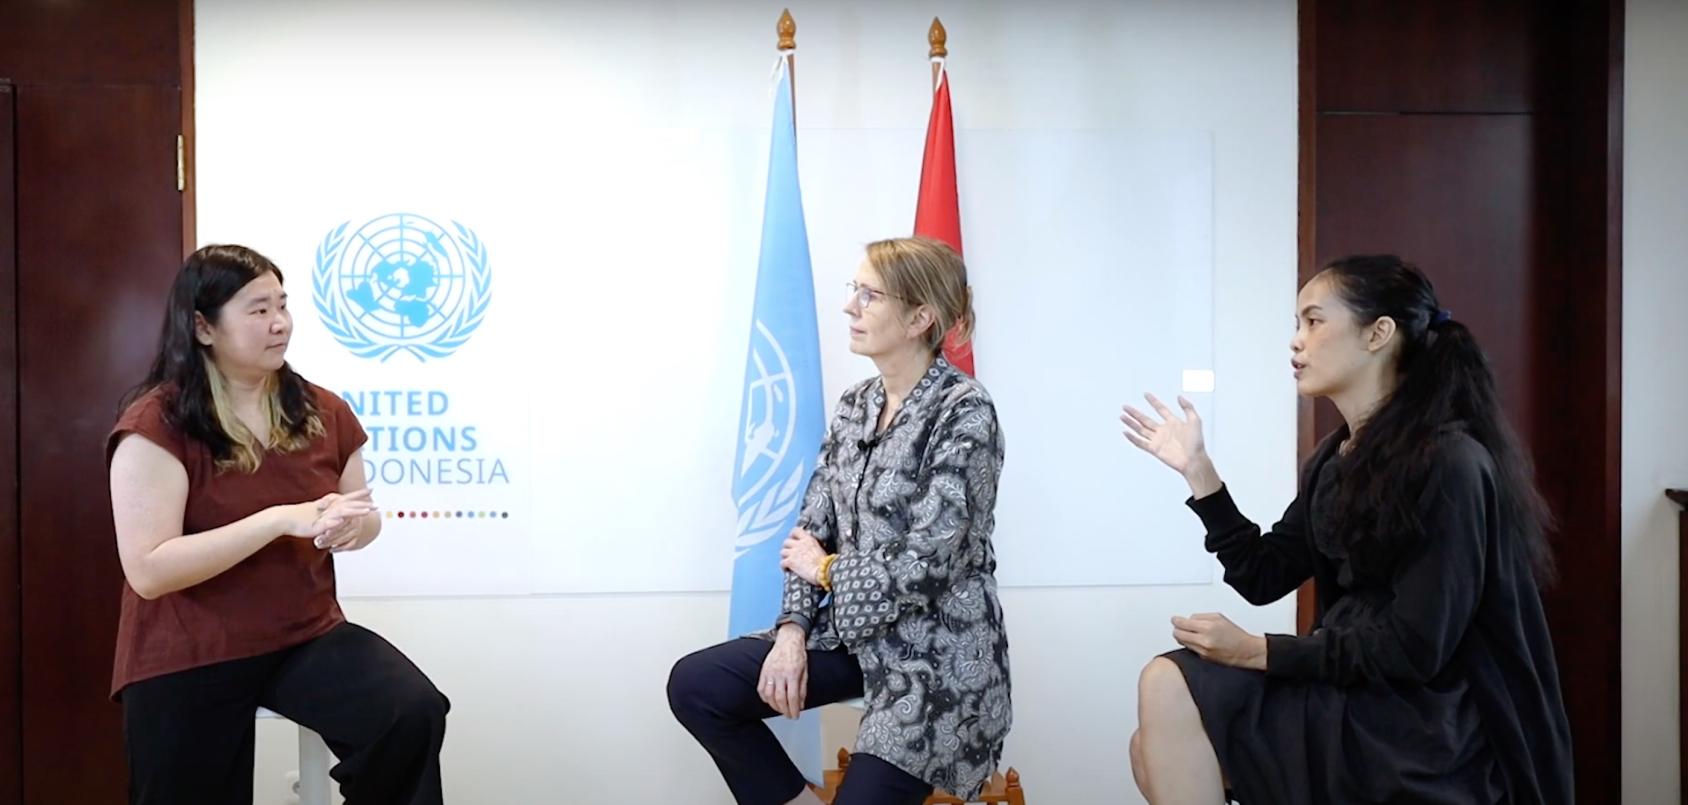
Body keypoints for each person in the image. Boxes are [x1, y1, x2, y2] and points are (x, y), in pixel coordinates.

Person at [1122, 255, 1573, 804]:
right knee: (1149, 745)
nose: (1296, 341)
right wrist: (1200, 472)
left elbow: (1415, 648)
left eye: (1314, 321)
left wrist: (1257, 651)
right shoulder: (1334, 459)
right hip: (1351, 692)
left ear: (1378, 333)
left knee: (1166, 688)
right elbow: (1262, 575)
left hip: (1417, 721)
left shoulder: (1451, 462)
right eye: (1297, 324)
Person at [668, 237, 1011, 805]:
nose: (850, 306)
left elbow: (926, 564)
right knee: (697, 686)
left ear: (919, 318)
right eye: (855, 290)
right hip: (853, 637)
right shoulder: (855, 405)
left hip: (935, 656)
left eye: (870, 295)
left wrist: (826, 570)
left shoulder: (966, 411)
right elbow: (811, 530)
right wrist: (792, 632)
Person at [106, 244, 449, 804]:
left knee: (409, 713)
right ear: (203, 327)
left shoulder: (324, 410)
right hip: (191, 647)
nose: (280, 323)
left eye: (282, 306)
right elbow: (149, 570)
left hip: (303, 635)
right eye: (259, 310)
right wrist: (275, 521)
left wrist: (352, 528)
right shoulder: (157, 424)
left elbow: (363, 515)